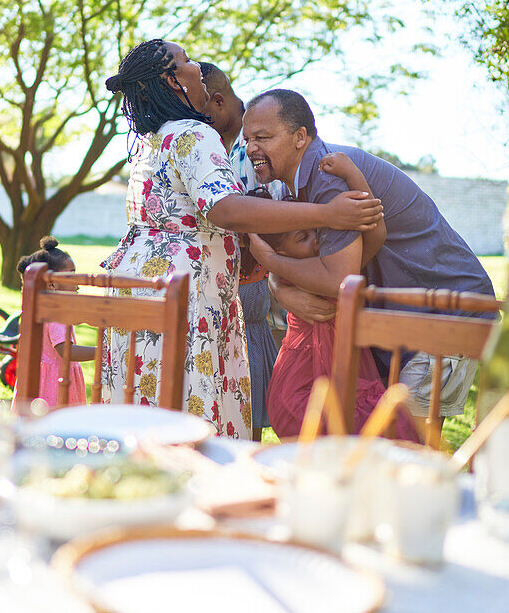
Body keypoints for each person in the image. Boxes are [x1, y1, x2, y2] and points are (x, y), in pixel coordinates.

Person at [102, 40, 383, 439]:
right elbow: (224, 208)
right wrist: (327, 213)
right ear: (172, 81)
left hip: (142, 288)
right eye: (186, 62)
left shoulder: (151, 140)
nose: (197, 67)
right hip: (188, 296)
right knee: (187, 418)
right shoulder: (192, 134)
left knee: (148, 409)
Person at [243, 88, 495, 426]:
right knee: (385, 443)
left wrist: (272, 265)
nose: (250, 148)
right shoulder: (292, 186)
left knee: (407, 445)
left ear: (300, 136)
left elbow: (339, 281)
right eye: (247, 138)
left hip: (444, 309)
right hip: (400, 318)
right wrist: (278, 285)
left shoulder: (326, 174)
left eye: (263, 136)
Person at [255, 152, 414, 439]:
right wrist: (263, 252)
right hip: (301, 384)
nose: (317, 239)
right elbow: (255, 236)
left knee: (382, 431)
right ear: (280, 252)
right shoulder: (293, 273)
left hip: (350, 373)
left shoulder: (339, 267)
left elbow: (376, 233)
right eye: (303, 238)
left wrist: (353, 174)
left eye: (315, 231)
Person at [200, 61, 282, 441]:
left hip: (249, 296)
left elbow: (254, 227)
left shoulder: (241, 155)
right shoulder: (228, 152)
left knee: (243, 417)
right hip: (249, 296)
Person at [14, 237, 92, 408]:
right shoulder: (56, 312)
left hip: (40, 377)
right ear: (51, 284)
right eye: (71, 274)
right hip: (54, 384)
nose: (77, 279)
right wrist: (101, 352)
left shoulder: (43, 306)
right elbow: (66, 350)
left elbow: (78, 319)